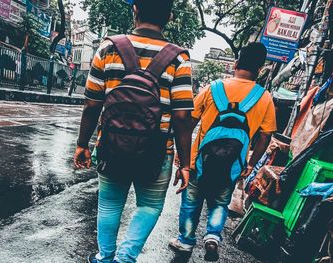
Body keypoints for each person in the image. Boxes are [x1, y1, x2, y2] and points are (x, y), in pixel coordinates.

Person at [73, 0, 194, 262]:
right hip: (157, 150)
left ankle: (105, 258)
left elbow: (92, 104)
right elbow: (183, 116)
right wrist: (185, 163)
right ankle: (125, 258)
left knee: (109, 204)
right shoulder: (179, 58)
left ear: (135, 9)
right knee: (149, 206)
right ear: (170, 17)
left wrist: (83, 143)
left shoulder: (108, 48)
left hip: (111, 144)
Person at [169, 42, 277, 261]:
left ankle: (186, 240)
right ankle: (212, 236)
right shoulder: (264, 98)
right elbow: (265, 136)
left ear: (235, 64)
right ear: (260, 69)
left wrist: (183, 157)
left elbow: (189, 122)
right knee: (220, 203)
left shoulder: (213, 88)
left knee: (191, 202)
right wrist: (249, 163)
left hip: (199, 160)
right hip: (233, 164)